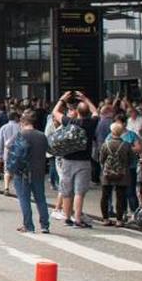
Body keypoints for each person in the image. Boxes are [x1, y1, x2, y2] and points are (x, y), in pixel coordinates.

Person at [52, 91, 99, 229]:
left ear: (77, 112)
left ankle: (67, 217)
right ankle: (77, 218)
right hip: (84, 161)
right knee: (79, 191)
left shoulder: (70, 122)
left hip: (67, 160)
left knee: (67, 190)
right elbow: (96, 111)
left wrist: (62, 99)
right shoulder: (91, 124)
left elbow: (55, 112)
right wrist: (85, 98)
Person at [12, 110, 51, 233]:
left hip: (23, 173)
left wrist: (12, 169)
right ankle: (45, 225)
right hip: (39, 171)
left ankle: (28, 225)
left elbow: (16, 156)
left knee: (24, 199)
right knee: (41, 199)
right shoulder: (42, 136)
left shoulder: (21, 135)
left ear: (22, 122)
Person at [98, 122, 133, 227]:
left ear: (111, 131)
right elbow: (131, 159)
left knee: (105, 196)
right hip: (122, 174)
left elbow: (101, 159)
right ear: (121, 132)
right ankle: (119, 219)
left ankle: (105, 218)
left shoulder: (106, 144)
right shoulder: (126, 145)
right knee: (120, 196)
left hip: (107, 173)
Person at [0, 112, 21, 195]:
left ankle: (6, 188)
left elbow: (0, 141)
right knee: (18, 171)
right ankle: (18, 189)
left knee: (7, 170)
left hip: (7, 151)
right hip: (18, 151)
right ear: (16, 118)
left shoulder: (3, 127)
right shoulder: (20, 127)